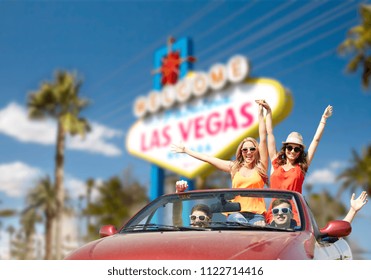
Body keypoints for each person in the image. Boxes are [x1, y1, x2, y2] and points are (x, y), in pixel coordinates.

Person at [171, 102, 269, 224]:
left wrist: (261, 114)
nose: (248, 152)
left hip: (257, 215)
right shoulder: (234, 167)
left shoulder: (261, 167)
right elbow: (208, 158)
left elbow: (264, 138)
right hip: (236, 213)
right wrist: (186, 150)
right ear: (241, 152)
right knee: (239, 223)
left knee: (259, 229)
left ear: (256, 151)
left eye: (252, 149)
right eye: (245, 149)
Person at [270, 191, 368, 230]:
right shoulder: (261, 233)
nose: (280, 214)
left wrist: (353, 210)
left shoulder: (304, 233)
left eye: (284, 210)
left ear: (291, 215)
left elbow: (336, 233)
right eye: (276, 211)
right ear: (273, 215)